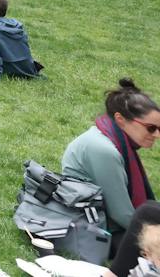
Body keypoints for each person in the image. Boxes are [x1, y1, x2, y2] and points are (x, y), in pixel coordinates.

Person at [61, 79, 159, 242]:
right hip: (99, 229)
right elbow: (122, 215)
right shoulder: (104, 150)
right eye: (151, 128)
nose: (157, 135)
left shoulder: (112, 137)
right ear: (120, 119)